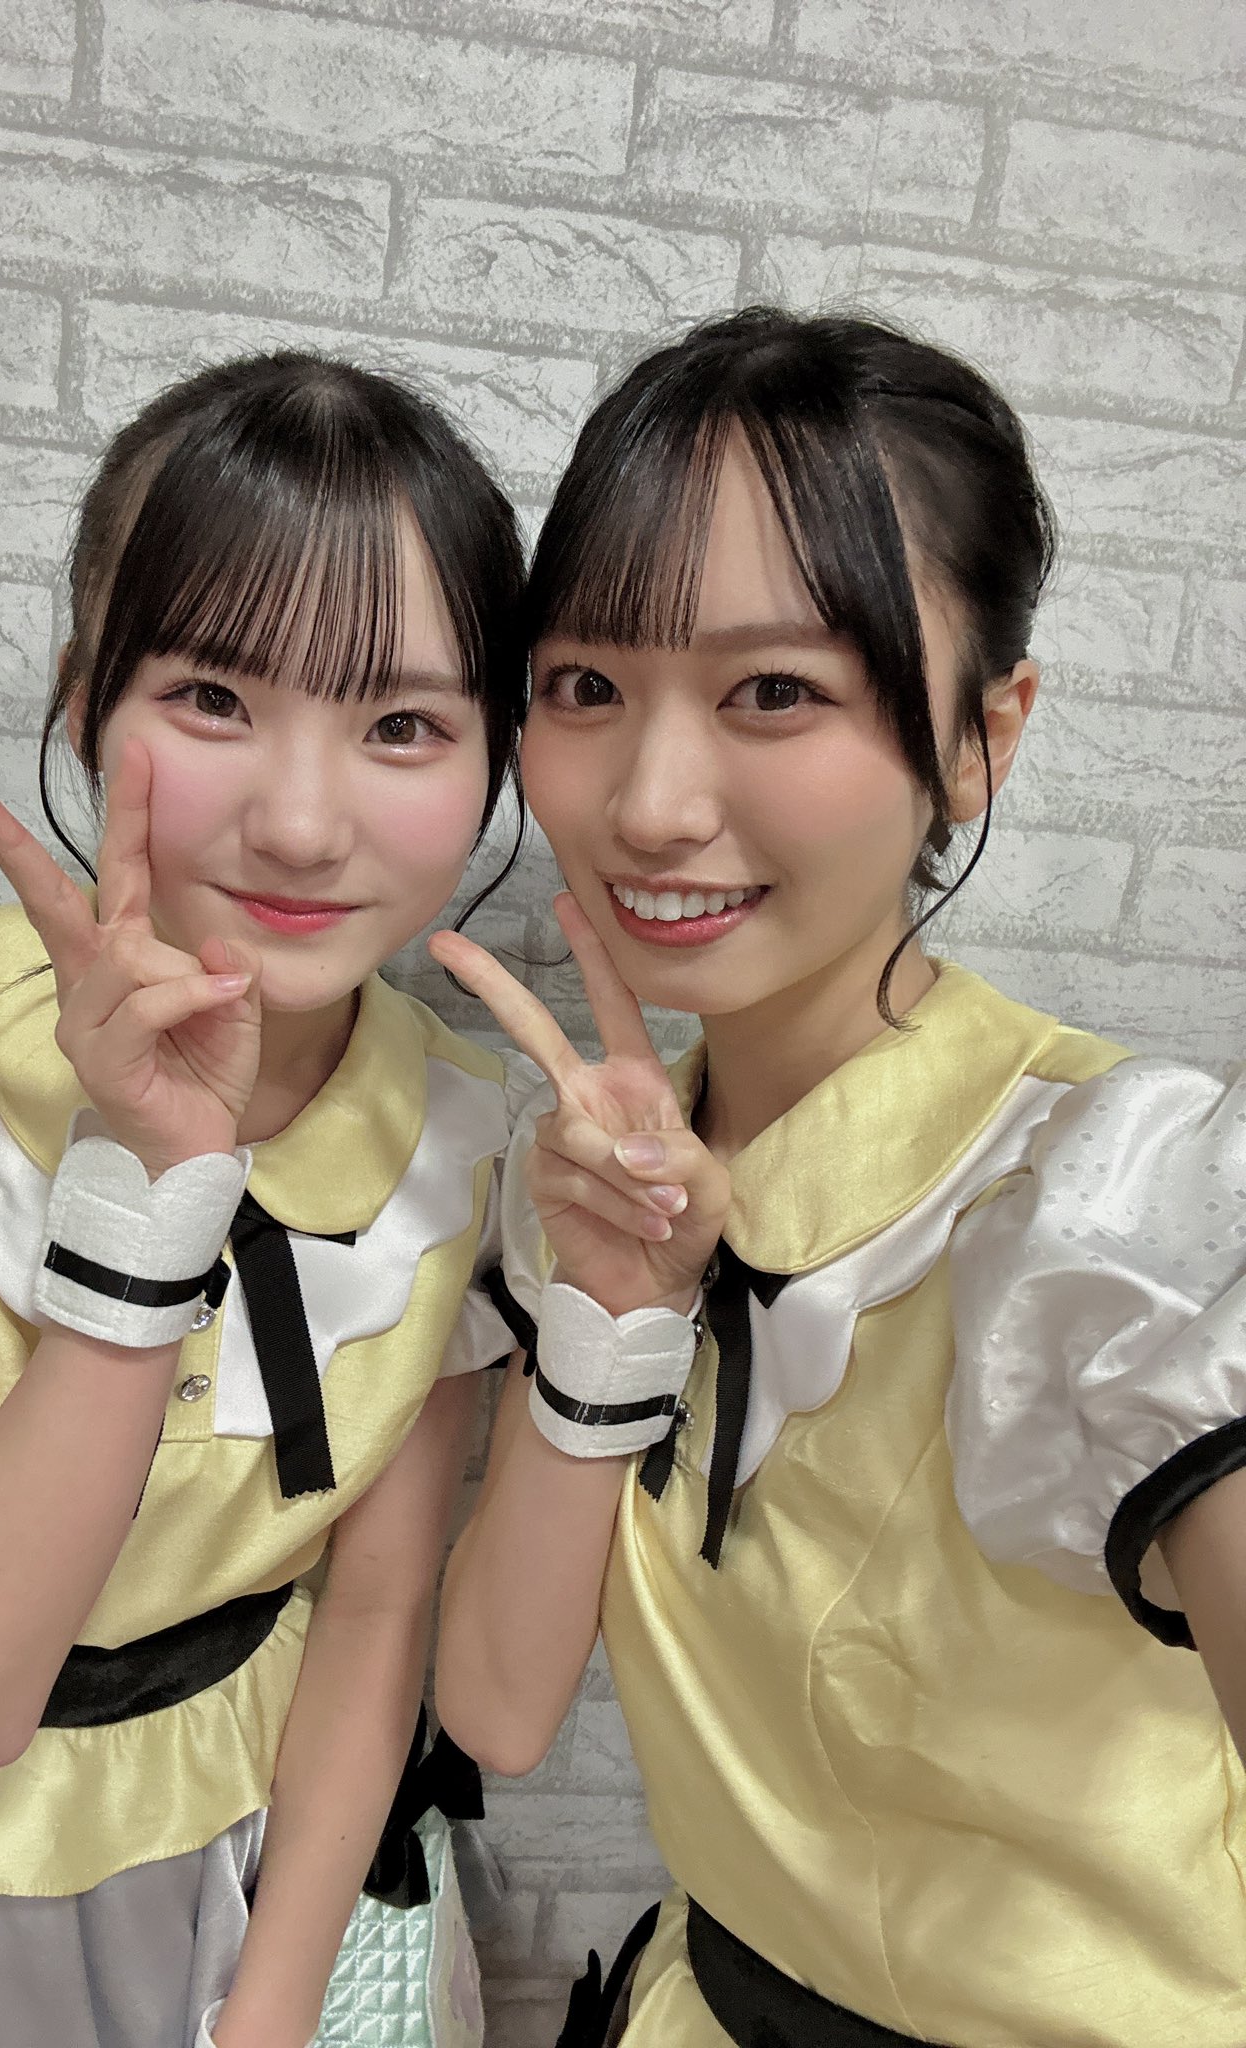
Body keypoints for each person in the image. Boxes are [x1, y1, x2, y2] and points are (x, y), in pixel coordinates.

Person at [432, 307, 1246, 2046]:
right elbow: (497, 1712)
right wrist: (608, 1313)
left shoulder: (1119, 1204)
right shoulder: (597, 1168)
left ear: (983, 736)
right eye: (585, 687)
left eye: (776, 691)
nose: (651, 803)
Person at [0, 350, 530, 2048]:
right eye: (215, 696)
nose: (301, 823)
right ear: (88, 698)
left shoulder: (468, 1134)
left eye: (402, 725)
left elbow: (375, 1609)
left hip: (227, 1858)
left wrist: (272, 2007)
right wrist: (152, 1191)